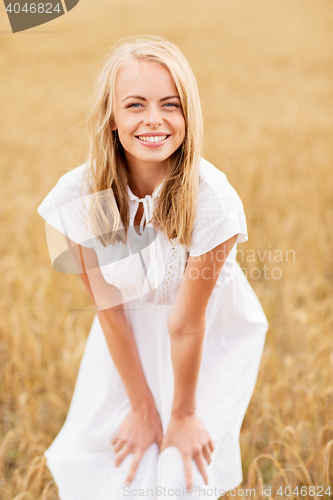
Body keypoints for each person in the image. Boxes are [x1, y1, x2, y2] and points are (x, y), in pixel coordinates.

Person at [37, 35, 269, 500]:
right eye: (135, 105)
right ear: (112, 118)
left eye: (170, 104)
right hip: (125, 338)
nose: (154, 120)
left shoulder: (212, 202)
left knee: (179, 475)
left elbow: (185, 324)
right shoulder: (82, 197)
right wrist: (142, 404)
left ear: (188, 114)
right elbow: (109, 306)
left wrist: (181, 414)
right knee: (114, 468)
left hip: (205, 339)